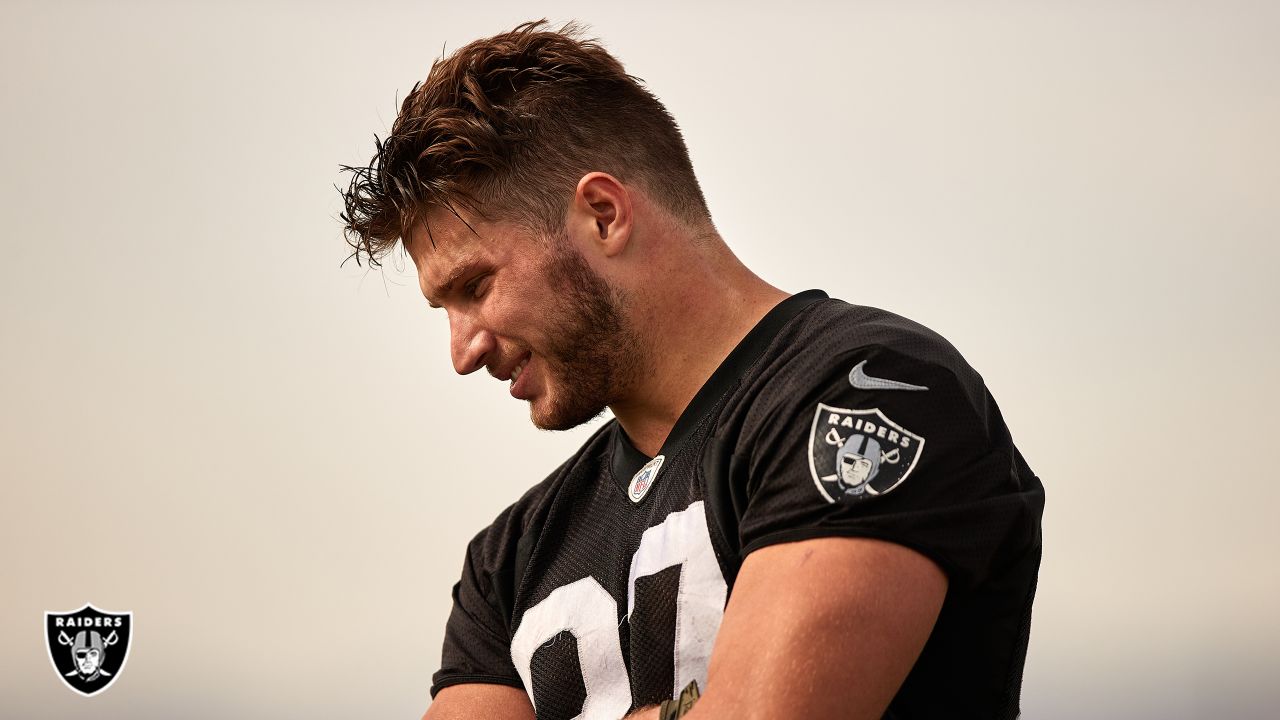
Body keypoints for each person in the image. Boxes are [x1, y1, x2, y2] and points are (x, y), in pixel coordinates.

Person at [339, 19, 1045, 720]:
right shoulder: (509, 557)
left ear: (605, 215)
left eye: (474, 286)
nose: (462, 353)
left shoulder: (873, 390)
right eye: (443, 308)